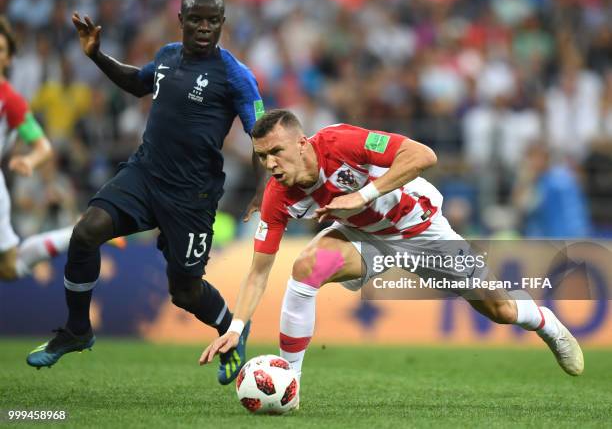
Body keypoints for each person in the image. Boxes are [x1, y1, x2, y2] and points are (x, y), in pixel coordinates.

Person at [200, 109, 584, 382]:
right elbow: (259, 271)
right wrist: (236, 326)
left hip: (419, 230)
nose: (269, 163)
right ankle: (290, 383)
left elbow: (423, 155)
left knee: (499, 309)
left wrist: (363, 195)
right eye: (262, 156)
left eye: (276, 152)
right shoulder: (277, 195)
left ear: (301, 143)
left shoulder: (340, 142)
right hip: (365, 239)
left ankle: (547, 324)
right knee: (305, 268)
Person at [27, 0, 263, 385]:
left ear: (222, 24)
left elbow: (261, 132)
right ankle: (77, 330)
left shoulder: (236, 76)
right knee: (86, 232)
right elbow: (138, 83)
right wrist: (96, 55)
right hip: (144, 174)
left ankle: (232, 331)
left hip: (192, 195)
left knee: (185, 292)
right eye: (196, 19)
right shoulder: (167, 55)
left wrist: (262, 191)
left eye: (212, 20)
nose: (204, 27)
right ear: (181, 21)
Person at [0, 16, 77, 282]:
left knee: (10, 269)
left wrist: (30, 162)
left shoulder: (11, 102)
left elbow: (43, 147)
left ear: (9, 59)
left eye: (1, 50)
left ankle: (74, 234)